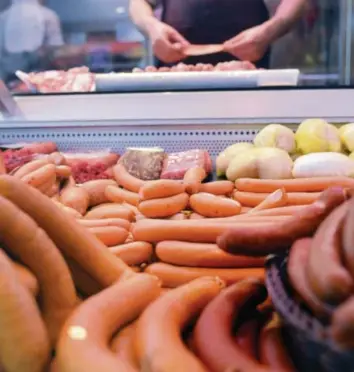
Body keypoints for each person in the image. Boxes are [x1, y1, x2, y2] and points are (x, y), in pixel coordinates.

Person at [129, 0, 307, 68]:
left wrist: (269, 31)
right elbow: (138, 2)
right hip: (175, 75)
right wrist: (151, 27)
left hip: (247, 76)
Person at [0, 0, 64, 83]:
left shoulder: (3, 17)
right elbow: (56, 49)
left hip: (9, 77)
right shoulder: (48, 16)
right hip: (38, 77)